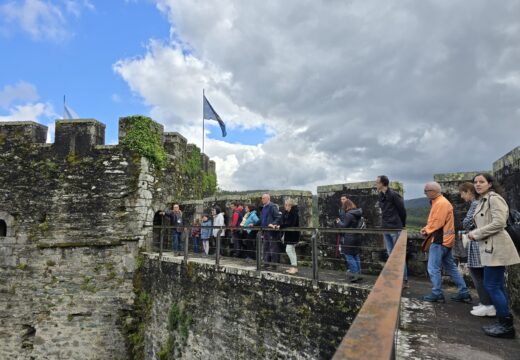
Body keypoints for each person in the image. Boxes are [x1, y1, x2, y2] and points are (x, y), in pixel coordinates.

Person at [468, 173, 520, 338]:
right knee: (497, 285)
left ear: (490, 184)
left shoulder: (494, 198)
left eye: (481, 181)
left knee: (491, 285)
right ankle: (504, 322)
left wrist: (476, 233)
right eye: (475, 182)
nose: (477, 184)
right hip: (490, 247)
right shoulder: (483, 200)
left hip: (496, 247)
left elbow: (500, 222)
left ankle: (506, 325)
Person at [421, 182, 471, 303]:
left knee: (433, 268)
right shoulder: (440, 202)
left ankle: (437, 293)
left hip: (439, 240)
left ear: (433, 191)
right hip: (445, 240)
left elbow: (438, 222)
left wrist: (426, 230)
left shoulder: (441, 203)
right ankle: (464, 292)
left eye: (426, 191)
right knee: (451, 267)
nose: (425, 194)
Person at [459, 182, 495, 317]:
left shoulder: (475, 204)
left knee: (477, 274)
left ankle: (487, 305)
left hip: (476, 242)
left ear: (469, 191)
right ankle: (485, 303)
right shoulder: (480, 202)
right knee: (481, 274)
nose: (462, 197)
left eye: (462, 194)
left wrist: (466, 225)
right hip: (480, 241)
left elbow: (467, 223)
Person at [376, 175, 408, 287]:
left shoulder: (394, 195)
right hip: (386, 227)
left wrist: (401, 225)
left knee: (398, 255)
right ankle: (394, 278)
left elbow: (402, 210)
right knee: (390, 254)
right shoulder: (380, 195)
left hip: (395, 228)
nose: (376, 184)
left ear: (383, 183)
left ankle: (404, 280)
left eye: (377, 182)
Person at [336, 197, 363, 282]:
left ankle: (354, 275)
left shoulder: (349, 214)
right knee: (356, 255)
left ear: (346, 205)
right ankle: (359, 274)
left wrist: (338, 222)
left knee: (349, 256)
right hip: (357, 237)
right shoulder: (358, 213)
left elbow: (344, 226)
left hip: (349, 237)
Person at [260, 193, 281, 268]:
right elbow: (262, 219)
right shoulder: (264, 207)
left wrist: (273, 224)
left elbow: (278, 217)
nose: (262, 200)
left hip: (271, 231)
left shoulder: (272, 206)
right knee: (265, 247)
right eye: (262, 198)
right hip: (265, 230)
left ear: (268, 199)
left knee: (273, 248)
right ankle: (266, 263)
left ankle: (274, 265)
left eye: (263, 198)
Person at [280, 198, 300, 275]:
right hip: (289, 234)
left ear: (290, 205)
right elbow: (282, 220)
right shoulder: (287, 212)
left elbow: (290, 223)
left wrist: (281, 226)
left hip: (293, 234)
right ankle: (294, 267)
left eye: (286, 204)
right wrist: (279, 224)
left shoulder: (294, 213)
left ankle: (294, 267)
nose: (285, 206)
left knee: (288, 250)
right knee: (292, 250)